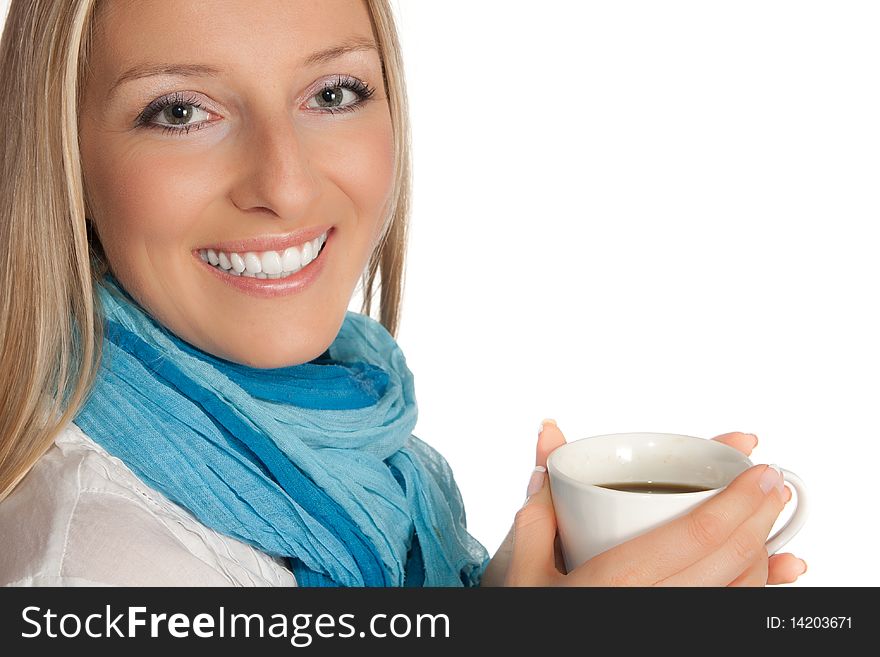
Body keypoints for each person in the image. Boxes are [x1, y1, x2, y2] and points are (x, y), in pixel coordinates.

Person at [0, 0, 806, 587]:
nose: (284, 183)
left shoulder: (386, 461)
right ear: (65, 162)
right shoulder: (105, 563)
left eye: (333, 93)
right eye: (180, 111)